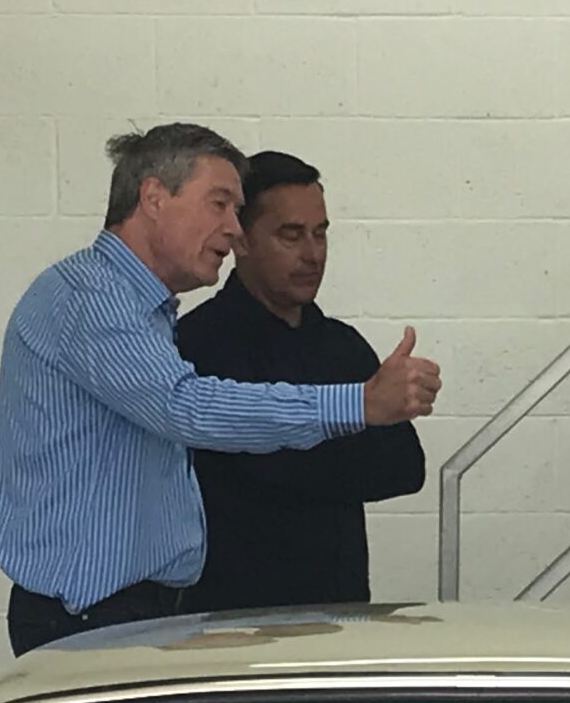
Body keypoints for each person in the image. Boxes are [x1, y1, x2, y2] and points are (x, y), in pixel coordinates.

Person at [0, 124, 440, 655]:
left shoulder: (144, 311)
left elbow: (401, 467)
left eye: (237, 210)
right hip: (92, 618)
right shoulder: (93, 298)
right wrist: (358, 403)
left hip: (138, 611)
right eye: (219, 204)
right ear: (154, 197)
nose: (232, 228)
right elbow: (186, 407)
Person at [173, 151, 423, 611]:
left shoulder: (342, 345)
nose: (312, 254)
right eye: (291, 235)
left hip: (342, 615)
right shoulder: (198, 344)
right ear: (241, 239)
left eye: (320, 233)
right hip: (230, 623)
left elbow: (405, 468)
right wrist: (350, 427)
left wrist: (291, 453)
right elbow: (259, 471)